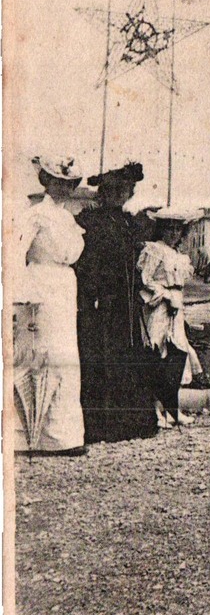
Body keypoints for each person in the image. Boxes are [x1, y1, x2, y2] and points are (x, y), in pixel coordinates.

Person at [75, 162, 159, 443]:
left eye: (125, 190)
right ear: (104, 193)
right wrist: (94, 292)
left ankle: (131, 423)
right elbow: (87, 263)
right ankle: (102, 425)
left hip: (126, 301)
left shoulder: (127, 222)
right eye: (115, 190)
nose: (120, 195)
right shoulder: (92, 221)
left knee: (128, 356)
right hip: (104, 301)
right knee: (103, 356)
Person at [13, 157, 87, 455]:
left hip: (64, 289)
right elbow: (16, 254)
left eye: (69, 183)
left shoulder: (67, 218)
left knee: (65, 357)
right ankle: (28, 436)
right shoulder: (35, 216)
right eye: (58, 182)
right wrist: (23, 296)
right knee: (39, 356)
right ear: (46, 181)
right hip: (39, 286)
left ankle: (63, 436)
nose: (65, 188)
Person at [137, 211, 202, 427]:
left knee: (177, 354)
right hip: (159, 307)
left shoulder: (178, 255)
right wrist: (165, 296)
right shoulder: (154, 250)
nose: (173, 233)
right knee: (158, 352)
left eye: (178, 229)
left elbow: (180, 283)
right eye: (169, 228)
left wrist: (176, 299)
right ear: (161, 229)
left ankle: (173, 409)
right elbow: (145, 280)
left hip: (176, 306)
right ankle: (156, 411)